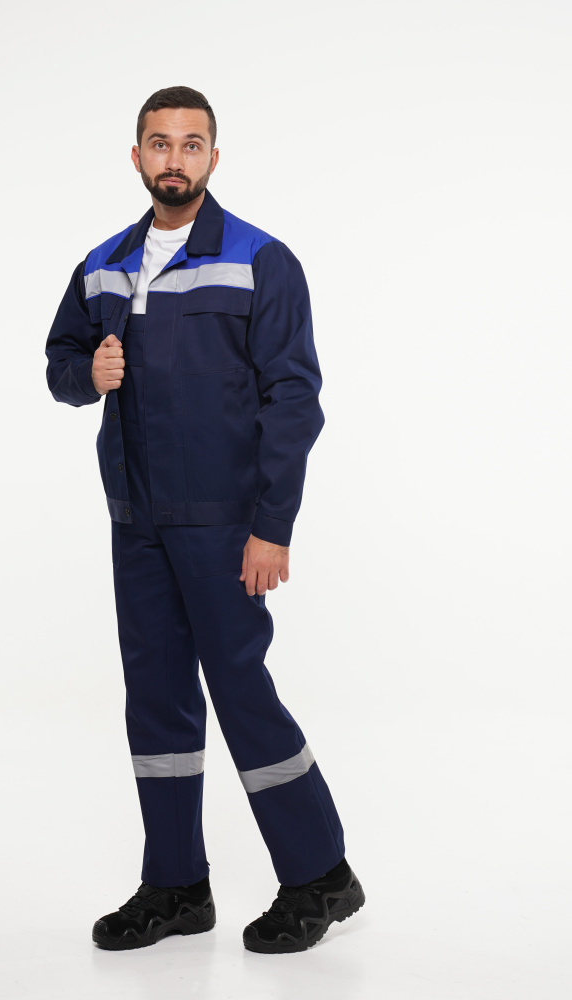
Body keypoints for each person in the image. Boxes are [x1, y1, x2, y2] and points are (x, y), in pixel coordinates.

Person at [44, 85, 365, 955]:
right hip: (137, 522)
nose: (175, 158)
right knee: (155, 700)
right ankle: (177, 884)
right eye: (160, 143)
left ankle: (321, 874)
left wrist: (273, 526)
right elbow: (62, 360)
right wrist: (87, 375)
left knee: (240, 691)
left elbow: (293, 401)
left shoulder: (260, 260)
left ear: (213, 158)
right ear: (137, 157)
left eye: (192, 144)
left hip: (225, 526)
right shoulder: (104, 265)